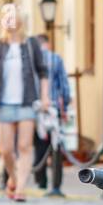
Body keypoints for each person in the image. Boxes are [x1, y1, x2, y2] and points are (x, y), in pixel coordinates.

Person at [0, 4, 49, 202]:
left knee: (25, 146)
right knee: (5, 150)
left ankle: (20, 188)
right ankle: (13, 178)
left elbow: (42, 72)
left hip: (26, 102)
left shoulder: (31, 44)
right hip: (3, 103)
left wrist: (45, 97)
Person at [31, 33, 71, 191]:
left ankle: (41, 183)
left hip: (36, 110)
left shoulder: (32, 60)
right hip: (53, 110)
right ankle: (56, 184)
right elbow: (64, 86)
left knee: (39, 147)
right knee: (56, 147)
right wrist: (65, 108)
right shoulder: (56, 59)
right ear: (48, 44)